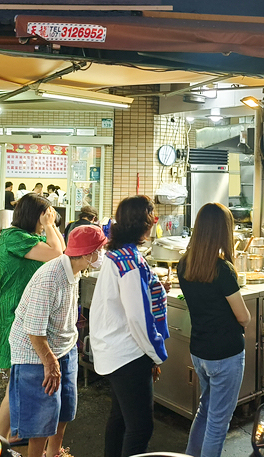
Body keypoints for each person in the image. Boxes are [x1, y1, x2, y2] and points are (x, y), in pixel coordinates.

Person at [9, 225, 106, 457]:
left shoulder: (75, 270)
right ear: (86, 254)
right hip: (36, 354)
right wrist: (50, 364)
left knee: (64, 409)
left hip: (64, 348)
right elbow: (34, 331)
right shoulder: (50, 277)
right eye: (99, 250)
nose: (102, 254)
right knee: (41, 419)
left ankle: (55, 453)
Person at [89, 195, 168, 457]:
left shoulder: (117, 254)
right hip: (128, 355)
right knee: (140, 427)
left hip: (113, 350)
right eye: (152, 218)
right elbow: (139, 318)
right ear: (144, 224)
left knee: (120, 418)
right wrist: (156, 354)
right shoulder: (130, 261)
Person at [177, 203, 251, 457]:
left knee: (205, 410)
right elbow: (243, 317)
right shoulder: (222, 270)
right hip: (226, 354)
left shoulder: (184, 264)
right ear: (223, 231)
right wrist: (247, 318)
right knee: (218, 424)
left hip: (200, 351)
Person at [0, 193, 65, 438]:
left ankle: (10, 435)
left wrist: (49, 226)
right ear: (33, 215)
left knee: (18, 383)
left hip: (27, 311)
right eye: (45, 214)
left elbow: (61, 252)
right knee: (16, 382)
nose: (49, 219)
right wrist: (49, 226)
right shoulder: (14, 238)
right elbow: (57, 254)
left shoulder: (29, 237)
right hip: (14, 313)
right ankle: (0, 438)